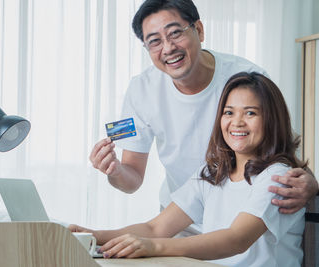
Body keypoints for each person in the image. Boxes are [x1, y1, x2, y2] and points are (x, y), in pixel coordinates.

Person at [89, 0, 318, 222]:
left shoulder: (247, 79)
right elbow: (132, 179)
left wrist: (311, 182)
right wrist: (115, 171)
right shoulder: (141, 90)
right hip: (179, 218)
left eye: (175, 33)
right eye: (155, 41)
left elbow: (282, 149)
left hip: (243, 215)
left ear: (198, 30)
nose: (168, 48)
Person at [72, 72, 306, 266]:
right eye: (229, 112)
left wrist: (152, 246)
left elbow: (236, 239)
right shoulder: (214, 173)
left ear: (272, 119)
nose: (237, 122)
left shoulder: (280, 177)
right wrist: (89, 234)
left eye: (250, 113)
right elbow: (155, 228)